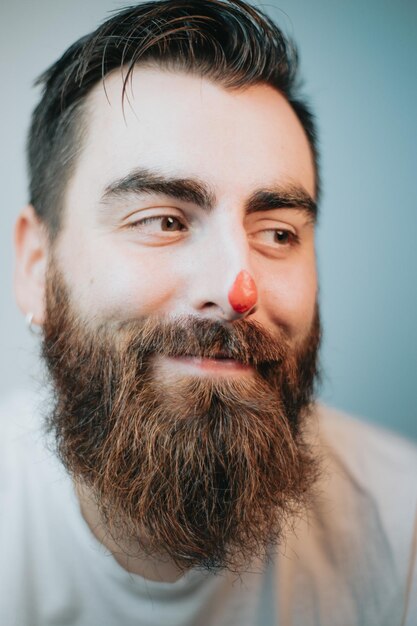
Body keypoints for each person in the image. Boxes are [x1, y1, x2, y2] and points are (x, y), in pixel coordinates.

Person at [1, 0, 416, 624]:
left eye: (277, 233)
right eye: (164, 220)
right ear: (36, 266)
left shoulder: (402, 529)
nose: (237, 288)